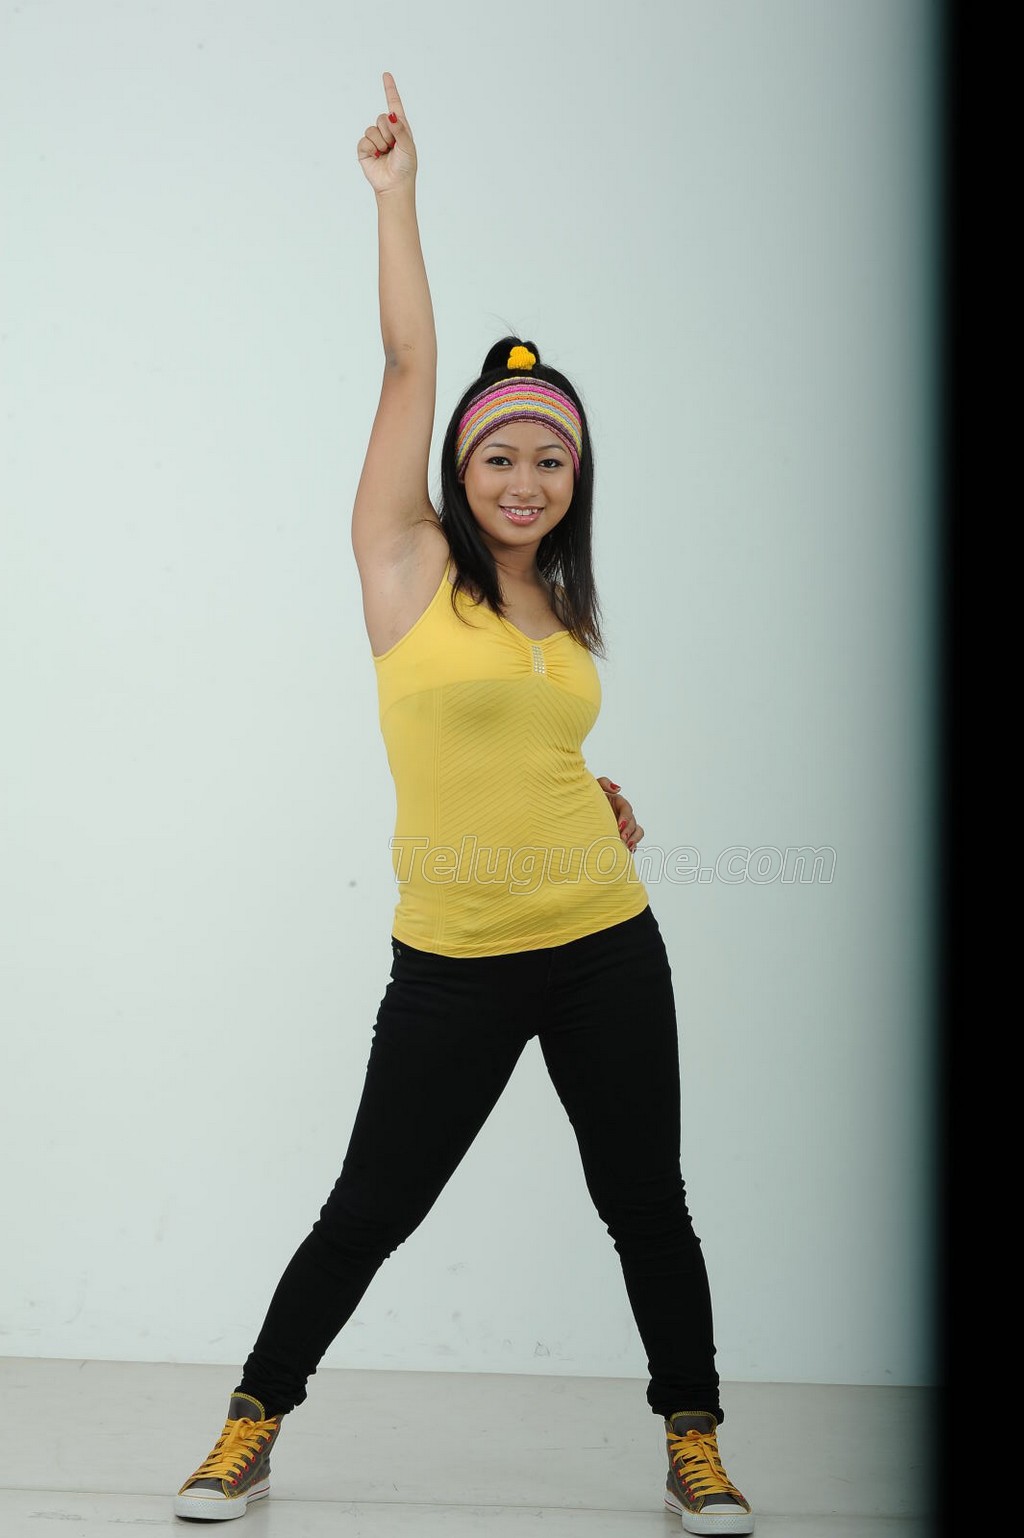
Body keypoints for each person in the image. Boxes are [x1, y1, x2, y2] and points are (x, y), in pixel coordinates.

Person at [172, 73, 755, 1536]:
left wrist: (596, 798)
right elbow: (406, 362)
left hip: (606, 938)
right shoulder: (406, 564)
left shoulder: (561, 602)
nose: (526, 477)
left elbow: (527, 746)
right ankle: (250, 1422)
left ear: (576, 478)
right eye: (502, 455)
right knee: (370, 1208)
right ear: (460, 466)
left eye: (552, 458)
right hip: (453, 958)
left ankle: (695, 1441)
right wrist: (397, 196)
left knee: (647, 1204)